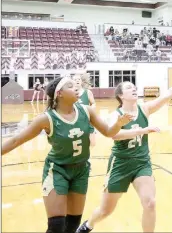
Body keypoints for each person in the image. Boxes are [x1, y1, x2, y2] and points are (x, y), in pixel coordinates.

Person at [76, 66, 172, 233]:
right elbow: (114, 135)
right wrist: (142, 131)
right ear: (121, 95)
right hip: (120, 164)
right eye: (129, 87)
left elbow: (168, 95)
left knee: (150, 203)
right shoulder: (116, 115)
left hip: (142, 162)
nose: (134, 88)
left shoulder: (144, 109)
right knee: (106, 210)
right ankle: (88, 225)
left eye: (134, 87)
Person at [1, 76, 132, 233]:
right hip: (57, 170)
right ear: (59, 94)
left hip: (81, 170)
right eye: (70, 86)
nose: (76, 87)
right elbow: (16, 140)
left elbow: (108, 132)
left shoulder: (87, 110)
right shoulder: (46, 119)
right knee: (56, 227)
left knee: (72, 226)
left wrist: (118, 124)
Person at [73, 72, 97, 145]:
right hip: (75, 120)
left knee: (92, 143)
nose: (77, 80)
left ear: (81, 81)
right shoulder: (70, 93)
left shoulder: (87, 92)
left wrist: (90, 109)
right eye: (75, 79)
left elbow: (93, 103)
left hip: (87, 119)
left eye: (79, 79)